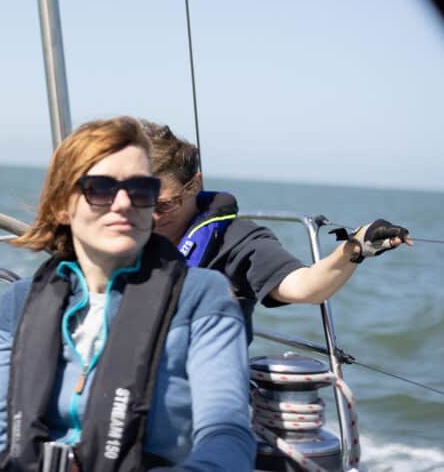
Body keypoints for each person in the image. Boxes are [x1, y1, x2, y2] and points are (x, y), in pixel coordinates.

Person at [0, 116, 255, 471]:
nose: (123, 203)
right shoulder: (17, 304)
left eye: (140, 189)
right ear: (61, 205)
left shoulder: (202, 296)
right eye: (101, 188)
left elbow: (226, 437)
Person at [141, 120, 413, 340]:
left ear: (194, 185)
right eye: (139, 202)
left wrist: (355, 247)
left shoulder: (236, 241)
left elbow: (307, 287)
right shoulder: (125, 235)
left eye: (164, 205)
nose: (151, 216)